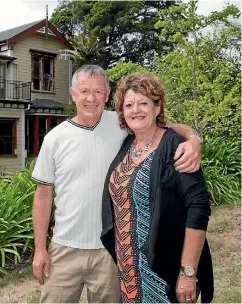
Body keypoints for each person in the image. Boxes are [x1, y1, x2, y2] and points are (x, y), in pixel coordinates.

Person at [31, 65, 203, 303]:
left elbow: (164, 128)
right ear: (73, 94)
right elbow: (42, 196)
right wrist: (40, 248)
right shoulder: (54, 139)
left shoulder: (121, 124)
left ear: (108, 94)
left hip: (111, 252)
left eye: (98, 91)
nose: (91, 98)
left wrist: (193, 140)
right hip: (65, 249)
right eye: (84, 91)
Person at [100, 73, 213, 303]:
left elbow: (198, 207)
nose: (136, 110)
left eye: (143, 103)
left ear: (157, 106)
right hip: (129, 272)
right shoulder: (128, 144)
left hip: (162, 271)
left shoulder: (175, 146)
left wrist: (188, 273)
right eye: (129, 105)